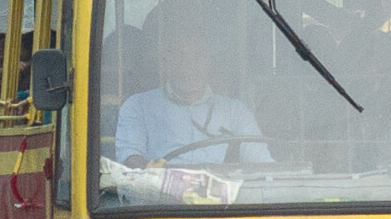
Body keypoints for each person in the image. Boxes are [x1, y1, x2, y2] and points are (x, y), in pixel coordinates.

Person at [113, 14, 273, 168]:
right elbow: (130, 160)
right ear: (164, 62)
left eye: (199, 55)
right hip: (159, 194)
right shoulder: (137, 107)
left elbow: (261, 163)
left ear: (209, 60)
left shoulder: (235, 111)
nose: (189, 66)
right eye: (180, 55)